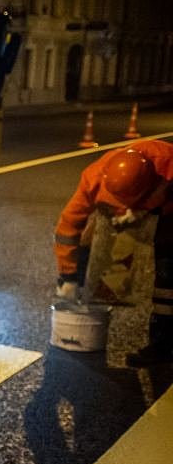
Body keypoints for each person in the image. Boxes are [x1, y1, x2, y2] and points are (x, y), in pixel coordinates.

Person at [54, 141, 173, 367]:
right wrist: (67, 276)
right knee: (88, 240)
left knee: (168, 271)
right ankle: (83, 287)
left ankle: (164, 342)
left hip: (168, 208)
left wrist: (147, 208)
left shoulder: (167, 165)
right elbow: (68, 229)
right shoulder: (94, 177)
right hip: (146, 198)